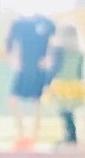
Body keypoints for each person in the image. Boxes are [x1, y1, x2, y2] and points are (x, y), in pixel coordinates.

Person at [5, 11, 56, 148]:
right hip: (24, 67)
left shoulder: (47, 23)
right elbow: (11, 43)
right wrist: (14, 58)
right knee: (13, 99)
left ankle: (34, 136)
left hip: (39, 68)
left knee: (38, 101)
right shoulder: (19, 24)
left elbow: (53, 42)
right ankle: (21, 134)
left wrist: (49, 58)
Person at [46, 23, 85, 147]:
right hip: (75, 84)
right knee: (70, 112)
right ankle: (70, 136)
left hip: (61, 84)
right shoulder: (79, 51)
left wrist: (48, 83)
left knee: (64, 112)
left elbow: (54, 69)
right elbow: (80, 72)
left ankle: (70, 137)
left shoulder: (58, 50)